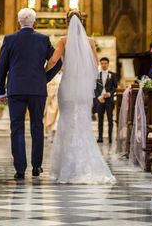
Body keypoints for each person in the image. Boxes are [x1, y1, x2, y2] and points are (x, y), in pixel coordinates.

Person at [45, 10, 115, 184]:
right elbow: (95, 63)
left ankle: (66, 166)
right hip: (82, 88)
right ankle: (83, 165)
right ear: (83, 22)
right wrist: (86, 79)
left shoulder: (63, 41)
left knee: (66, 122)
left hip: (68, 86)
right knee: (82, 123)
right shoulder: (90, 42)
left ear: (67, 22)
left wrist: (43, 72)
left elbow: (54, 60)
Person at [0, 8, 62, 180]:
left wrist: (0, 91)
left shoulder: (9, 39)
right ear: (34, 22)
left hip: (16, 89)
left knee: (16, 127)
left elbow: (2, 67)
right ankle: (37, 166)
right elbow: (57, 62)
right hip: (37, 90)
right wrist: (43, 78)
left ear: (19, 22)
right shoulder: (42, 39)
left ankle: (19, 169)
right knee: (37, 126)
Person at [94, 57, 118, 144]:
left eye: (105, 63)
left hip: (109, 100)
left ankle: (110, 138)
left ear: (108, 64)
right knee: (100, 119)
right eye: (102, 63)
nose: (104, 65)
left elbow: (115, 87)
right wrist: (98, 97)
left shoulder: (113, 75)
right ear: (100, 64)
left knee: (110, 119)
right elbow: (95, 88)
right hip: (100, 100)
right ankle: (100, 137)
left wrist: (109, 93)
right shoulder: (97, 75)